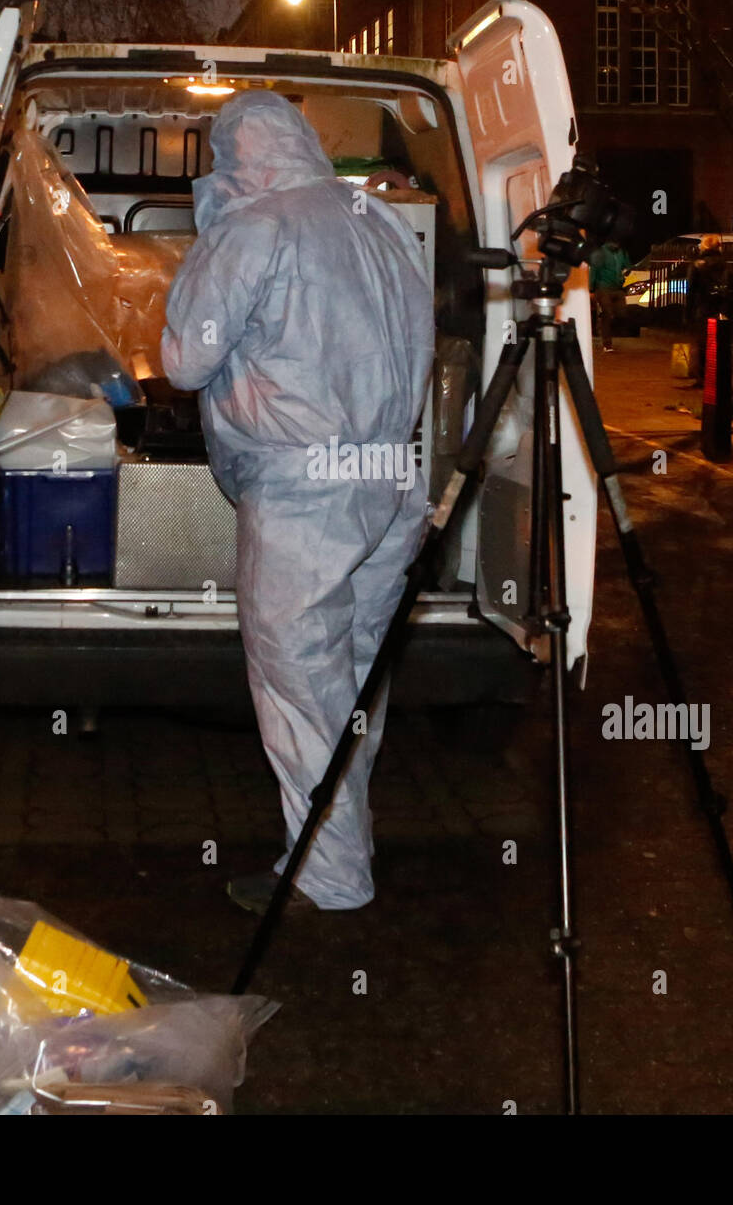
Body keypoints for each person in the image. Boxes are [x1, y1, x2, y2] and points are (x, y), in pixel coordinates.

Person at [161, 90, 433, 913]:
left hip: (305, 488)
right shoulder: (378, 221)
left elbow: (183, 363)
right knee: (352, 680)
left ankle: (329, 876)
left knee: (299, 684)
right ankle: (344, 851)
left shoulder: (254, 227)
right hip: (391, 475)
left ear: (234, 156)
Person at [687, 234, 729, 383]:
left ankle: (704, 376)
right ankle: (719, 375)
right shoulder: (724, 264)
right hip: (720, 307)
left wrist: (688, 312)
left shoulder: (698, 264)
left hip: (703, 306)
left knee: (703, 343)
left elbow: (691, 290)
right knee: (720, 342)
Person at [588, 239, 631, 352]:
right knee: (608, 313)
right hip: (603, 288)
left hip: (618, 288)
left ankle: (602, 325)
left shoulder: (621, 252)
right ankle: (607, 344)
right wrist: (591, 288)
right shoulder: (601, 253)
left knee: (622, 312)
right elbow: (594, 270)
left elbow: (627, 266)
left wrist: (626, 272)